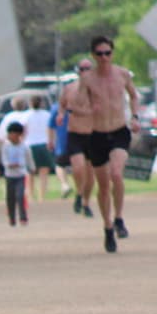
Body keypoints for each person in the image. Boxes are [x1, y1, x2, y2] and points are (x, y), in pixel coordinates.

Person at [80, 36, 141, 252]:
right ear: (93, 56)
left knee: (116, 173)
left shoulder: (122, 74)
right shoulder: (87, 79)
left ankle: (119, 218)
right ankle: (107, 227)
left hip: (119, 131)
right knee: (103, 185)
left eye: (107, 53)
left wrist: (135, 117)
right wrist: (88, 110)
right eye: (99, 54)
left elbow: (134, 96)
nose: (104, 58)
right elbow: (79, 104)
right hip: (97, 134)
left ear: (112, 53)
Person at [58, 59, 97, 219]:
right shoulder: (69, 88)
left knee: (90, 172)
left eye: (88, 68)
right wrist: (61, 114)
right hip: (75, 133)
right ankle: (79, 194)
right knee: (78, 167)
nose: (85, 71)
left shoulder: (97, 89)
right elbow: (62, 105)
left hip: (92, 134)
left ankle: (85, 201)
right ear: (78, 71)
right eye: (82, 69)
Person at [2, 121, 35, 226]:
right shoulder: (6, 146)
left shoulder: (24, 147)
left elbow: (29, 160)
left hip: (20, 175)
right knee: (10, 198)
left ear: (18, 135)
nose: (9, 136)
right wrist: (8, 165)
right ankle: (12, 218)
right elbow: (4, 160)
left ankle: (23, 217)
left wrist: (32, 168)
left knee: (20, 196)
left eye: (12, 133)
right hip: (9, 176)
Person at [24, 95, 55, 201]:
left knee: (30, 172)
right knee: (44, 172)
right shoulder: (47, 115)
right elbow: (51, 129)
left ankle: (31, 195)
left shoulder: (26, 115)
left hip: (29, 144)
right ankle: (42, 196)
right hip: (43, 143)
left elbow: (24, 131)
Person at [47, 93, 73, 199]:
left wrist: (50, 140)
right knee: (76, 164)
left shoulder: (55, 108)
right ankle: (81, 189)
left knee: (59, 165)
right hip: (76, 139)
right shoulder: (76, 106)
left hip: (61, 141)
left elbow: (50, 126)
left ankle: (64, 184)